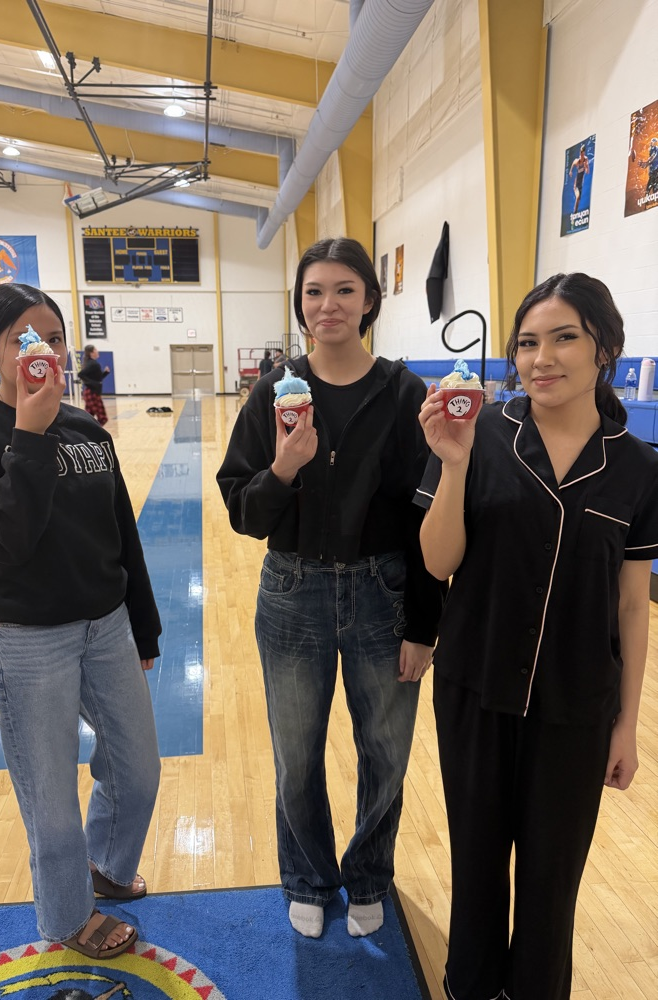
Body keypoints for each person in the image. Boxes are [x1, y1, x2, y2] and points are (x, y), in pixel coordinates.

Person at [415, 273, 658, 1000]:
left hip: (575, 707)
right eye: (527, 342)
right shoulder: (479, 432)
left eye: (564, 338)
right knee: (478, 865)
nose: (540, 358)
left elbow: (633, 607)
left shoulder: (639, 468)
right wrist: (453, 466)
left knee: (553, 880)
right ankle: (470, 987)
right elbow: (438, 561)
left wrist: (627, 724)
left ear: (604, 349)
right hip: (476, 690)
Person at [217, 237, 445, 940]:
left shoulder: (405, 394)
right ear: (300, 303)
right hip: (293, 590)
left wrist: (422, 628)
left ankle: (370, 875)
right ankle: (310, 879)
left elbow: (424, 516)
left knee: (386, 751)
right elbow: (242, 511)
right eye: (314, 291)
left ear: (371, 299)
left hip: (384, 589)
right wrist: (284, 467)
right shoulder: (274, 392)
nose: (328, 305)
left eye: (345, 289)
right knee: (296, 754)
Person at [0, 283, 162, 961]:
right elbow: (7, 540)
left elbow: (121, 530)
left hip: (107, 625)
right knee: (51, 800)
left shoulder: (88, 429)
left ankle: (105, 868)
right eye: (24, 340)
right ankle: (67, 917)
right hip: (28, 639)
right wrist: (28, 433)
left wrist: (143, 627)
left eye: (54, 338)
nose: (44, 351)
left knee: (137, 768)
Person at [78, 344, 111, 426]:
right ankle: (95, 434)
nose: (97, 351)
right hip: (92, 393)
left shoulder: (92, 363)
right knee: (103, 418)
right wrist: (92, 383)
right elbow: (81, 374)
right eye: (96, 350)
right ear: (91, 353)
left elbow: (98, 379)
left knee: (89, 418)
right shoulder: (93, 364)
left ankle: (86, 435)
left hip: (91, 392)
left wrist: (105, 373)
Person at [569, 143, 590, 212]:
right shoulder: (577, 161)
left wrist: (586, 166)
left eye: (583, 153)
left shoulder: (585, 160)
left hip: (581, 184)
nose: (581, 155)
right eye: (580, 153)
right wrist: (571, 171)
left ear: (584, 153)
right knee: (577, 197)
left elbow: (587, 172)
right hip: (576, 185)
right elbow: (572, 164)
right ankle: (574, 212)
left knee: (578, 200)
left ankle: (575, 211)